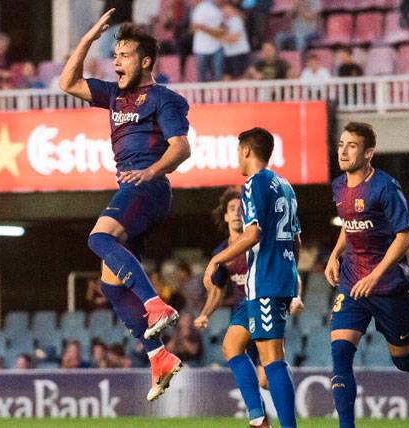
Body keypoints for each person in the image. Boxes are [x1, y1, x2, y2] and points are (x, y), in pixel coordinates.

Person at [58, 13, 191, 402]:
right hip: (129, 188)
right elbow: (67, 82)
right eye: (114, 55)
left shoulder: (165, 99)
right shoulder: (114, 94)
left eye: (126, 55)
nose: (116, 62)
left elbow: (181, 148)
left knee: (99, 238)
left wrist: (150, 171)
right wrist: (86, 39)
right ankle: (159, 356)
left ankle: (155, 305)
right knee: (110, 283)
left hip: (147, 188)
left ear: (146, 61)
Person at [324, 122, 409, 427]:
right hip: (352, 282)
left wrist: (375, 275)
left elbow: (405, 237)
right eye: (340, 145)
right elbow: (349, 225)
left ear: (369, 152)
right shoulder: (338, 186)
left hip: (388, 286)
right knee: (340, 354)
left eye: (352, 146)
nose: (343, 151)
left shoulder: (386, 187)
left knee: (403, 359)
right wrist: (335, 254)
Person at [203, 127, 302, 428]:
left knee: (272, 358)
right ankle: (258, 420)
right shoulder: (284, 185)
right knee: (232, 345)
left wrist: (217, 258)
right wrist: (291, 273)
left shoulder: (252, 185)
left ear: (246, 150)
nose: (237, 156)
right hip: (271, 280)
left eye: (237, 150)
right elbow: (297, 238)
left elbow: (253, 233)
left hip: (266, 281)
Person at [195, 186, 287, 427]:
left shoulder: (257, 242)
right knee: (230, 347)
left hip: (265, 305)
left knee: (265, 380)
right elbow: (217, 290)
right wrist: (205, 313)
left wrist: (293, 297)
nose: (236, 213)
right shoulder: (221, 253)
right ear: (225, 215)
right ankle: (258, 417)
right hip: (243, 312)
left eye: (241, 209)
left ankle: (275, 418)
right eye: (232, 209)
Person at [191, 0, 226, 82]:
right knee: (202, 76)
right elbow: (196, 26)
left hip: (218, 46)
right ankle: (201, 95)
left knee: (218, 75)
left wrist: (208, 29)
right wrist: (215, 32)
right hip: (202, 48)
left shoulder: (224, 8)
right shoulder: (202, 7)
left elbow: (223, 29)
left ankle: (219, 94)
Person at [221, 3, 250, 80]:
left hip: (239, 53)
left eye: (227, 9)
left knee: (241, 77)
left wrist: (219, 36)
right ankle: (227, 92)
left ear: (233, 10)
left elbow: (233, 39)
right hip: (228, 53)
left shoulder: (236, 20)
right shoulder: (225, 22)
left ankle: (243, 92)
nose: (225, 11)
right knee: (226, 77)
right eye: (223, 9)